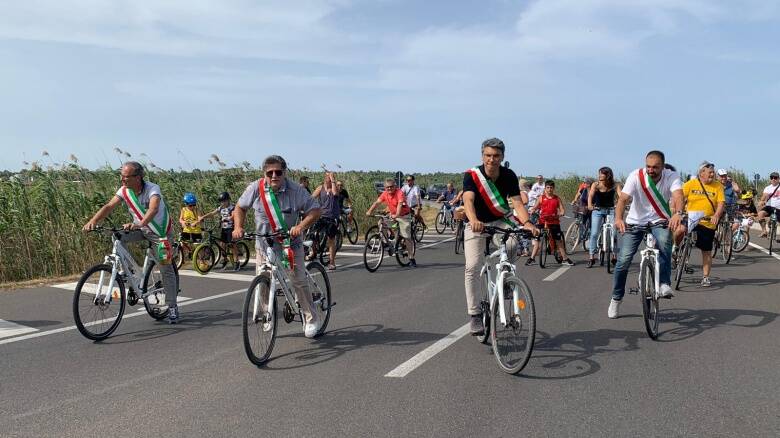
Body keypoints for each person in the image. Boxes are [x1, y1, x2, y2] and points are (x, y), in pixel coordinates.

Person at [232, 155, 323, 338]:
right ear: (264, 173)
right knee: (263, 280)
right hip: (264, 243)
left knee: (298, 280)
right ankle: (267, 315)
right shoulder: (255, 188)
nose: (274, 176)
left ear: (284, 173)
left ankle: (311, 317)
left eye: (278, 172)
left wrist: (300, 226)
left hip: (291, 243)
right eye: (270, 172)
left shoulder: (296, 190)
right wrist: (238, 227)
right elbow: (240, 208)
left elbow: (315, 210)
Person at [82, 161, 180, 323]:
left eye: (126, 177)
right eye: (121, 176)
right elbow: (109, 206)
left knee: (166, 268)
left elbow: (153, 209)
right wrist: (93, 221)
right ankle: (129, 271)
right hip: (139, 229)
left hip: (159, 232)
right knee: (117, 236)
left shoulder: (152, 189)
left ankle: (172, 307)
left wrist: (139, 223)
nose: (123, 180)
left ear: (138, 177)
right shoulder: (124, 190)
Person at [462, 138, 537, 335]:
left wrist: (527, 223)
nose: (492, 160)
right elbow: (468, 200)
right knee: (472, 266)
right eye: (488, 155)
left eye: (496, 156)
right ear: (482, 156)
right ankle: (475, 314)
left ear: (502, 157)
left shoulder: (508, 175)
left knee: (513, 243)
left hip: (499, 220)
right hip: (476, 222)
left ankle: (506, 281)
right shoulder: (472, 175)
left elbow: (517, 203)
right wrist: (473, 220)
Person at [610, 150, 684, 319]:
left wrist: (678, 213)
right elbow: (622, 199)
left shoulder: (671, 176)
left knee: (665, 242)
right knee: (623, 260)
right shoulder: (636, 176)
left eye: (655, 167)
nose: (650, 170)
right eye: (648, 166)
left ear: (663, 167)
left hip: (659, 220)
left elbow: (679, 195)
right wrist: (619, 218)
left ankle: (664, 283)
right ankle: (616, 298)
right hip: (636, 221)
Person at [675, 161, 725, 287]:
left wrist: (716, 215)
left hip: (707, 221)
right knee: (679, 230)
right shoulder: (691, 184)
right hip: (691, 217)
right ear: (701, 173)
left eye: (713, 172)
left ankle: (705, 277)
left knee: (706, 250)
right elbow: (680, 197)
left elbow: (720, 204)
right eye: (710, 172)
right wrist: (677, 212)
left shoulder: (718, 186)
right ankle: (675, 248)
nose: (712, 174)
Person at [366, 178, 418, 267]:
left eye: (391, 187)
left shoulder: (399, 193)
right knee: (381, 223)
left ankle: (411, 258)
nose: (389, 189)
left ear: (395, 186)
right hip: (393, 214)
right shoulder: (385, 193)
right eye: (387, 187)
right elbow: (377, 202)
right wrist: (369, 211)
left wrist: (397, 214)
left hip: (404, 215)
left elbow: (400, 204)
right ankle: (385, 243)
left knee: (406, 237)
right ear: (385, 188)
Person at [527, 180, 575, 266]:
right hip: (542, 220)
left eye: (551, 188)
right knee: (537, 238)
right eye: (548, 188)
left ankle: (565, 258)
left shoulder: (557, 198)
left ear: (554, 188)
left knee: (558, 241)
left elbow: (562, 209)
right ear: (545, 188)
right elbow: (535, 207)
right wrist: (532, 210)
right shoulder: (541, 198)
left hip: (554, 221)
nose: (549, 189)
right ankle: (532, 258)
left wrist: (561, 212)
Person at [587, 167, 622, 268]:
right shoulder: (596, 184)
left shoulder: (615, 184)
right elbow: (590, 196)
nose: (600, 176)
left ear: (608, 175)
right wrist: (590, 205)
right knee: (594, 234)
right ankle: (591, 257)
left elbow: (621, 196)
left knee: (614, 234)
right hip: (597, 210)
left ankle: (615, 256)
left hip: (611, 210)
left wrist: (620, 204)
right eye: (599, 174)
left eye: (602, 174)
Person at [201, 191, 240, 271]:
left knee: (231, 245)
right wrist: (203, 217)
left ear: (228, 200)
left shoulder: (232, 207)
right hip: (224, 228)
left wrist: (227, 218)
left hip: (231, 228)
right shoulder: (221, 208)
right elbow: (212, 213)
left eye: (224, 201)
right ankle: (225, 260)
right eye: (221, 201)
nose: (223, 203)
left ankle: (237, 262)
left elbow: (233, 216)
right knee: (222, 244)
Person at [312, 172, 341, 270]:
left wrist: (333, 180)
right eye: (328, 178)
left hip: (332, 217)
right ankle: (313, 252)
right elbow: (311, 199)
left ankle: (332, 262)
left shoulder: (335, 187)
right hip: (321, 215)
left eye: (331, 179)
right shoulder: (320, 188)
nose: (329, 180)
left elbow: (335, 193)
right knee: (313, 233)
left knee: (331, 240)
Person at [757, 171, 780, 238]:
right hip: (769, 207)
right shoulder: (768, 188)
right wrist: (761, 201)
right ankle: (764, 231)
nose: (773, 179)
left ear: (778, 179)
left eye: (775, 178)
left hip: (778, 208)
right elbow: (764, 196)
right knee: (760, 214)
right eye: (771, 177)